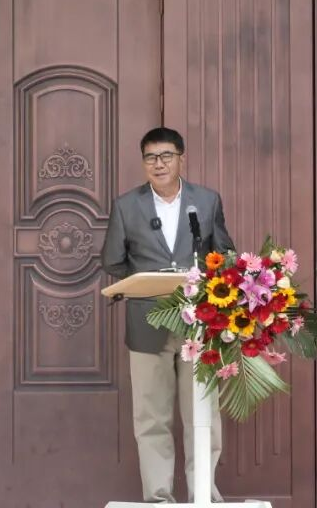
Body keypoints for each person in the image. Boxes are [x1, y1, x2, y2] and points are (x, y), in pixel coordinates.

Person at [101, 126, 234, 503]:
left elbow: (225, 253)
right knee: (151, 417)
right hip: (148, 323)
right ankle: (159, 498)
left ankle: (203, 496)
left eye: (166, 156)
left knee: (203, 416)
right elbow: (112, 260)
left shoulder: (206, 201)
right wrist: (144, 281)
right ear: (143, 163)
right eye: (150, 158)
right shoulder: (126, 206)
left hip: (199, 325)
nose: (158, 164)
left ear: (181, 159)